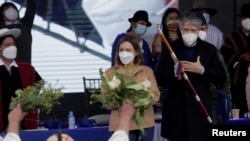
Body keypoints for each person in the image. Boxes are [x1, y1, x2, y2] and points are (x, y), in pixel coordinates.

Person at [155, 11, 226, 141]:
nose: (189, 33)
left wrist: (202, 70)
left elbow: (221, 77)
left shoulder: (209, 49)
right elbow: (159, 77)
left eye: (193, 30)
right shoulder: (170, 48)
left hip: (199, 109)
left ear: (199, 30)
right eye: (186, 29)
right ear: (180, 29)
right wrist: (174, 73)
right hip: (176, 111)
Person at [106, 35, 160, 141]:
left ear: (135, 53)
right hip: (120, 123)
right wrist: (122, 98)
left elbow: (155, 96)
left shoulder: (147, 71)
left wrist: (139, 99)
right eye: (121, 50)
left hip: (145, 123)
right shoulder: (110, 73)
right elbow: (107, 102)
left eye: (128, 50)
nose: (124, 53)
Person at [0, 28, 42, 132]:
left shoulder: (26, 68)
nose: (12, 47)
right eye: (7, 45)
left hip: (23, 125)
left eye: (13, 44)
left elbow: (39, 83)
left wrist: (30, 98)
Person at [197, 12, 232, 124]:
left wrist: (226, 106)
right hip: (187, 104)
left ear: (207, 28)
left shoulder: (213, 51)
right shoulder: (181, 50)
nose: (199, 32)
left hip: (211, 103)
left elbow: (224, 81)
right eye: (196, 28)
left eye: (202, 28)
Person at [220, 3, 250, 117]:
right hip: (238, 81)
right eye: (245, 18)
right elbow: (223, 57)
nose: (248, 20)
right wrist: (239, 57)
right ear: (241, 19)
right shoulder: (233, 38)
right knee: (241, 111)